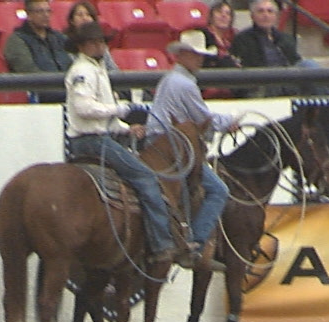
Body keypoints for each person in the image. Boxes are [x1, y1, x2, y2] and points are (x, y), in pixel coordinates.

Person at [64, 22, 179, 267]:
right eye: (94, 42)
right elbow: (84, 109)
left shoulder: (97, 69)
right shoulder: (83, 71)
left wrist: (127, 128)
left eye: (101, 41)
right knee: (146, 177)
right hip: (91, 142)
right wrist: (122, 108)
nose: (99, 46)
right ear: (82, 46)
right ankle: (161, 243)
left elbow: (101, 116)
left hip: (93, 138)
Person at [150, 30, 239, 268]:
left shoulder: (170, 79)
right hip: (172, 146)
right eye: (197, 55)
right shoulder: (184, 84)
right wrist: (228, 121)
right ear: (183, 55)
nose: (201, 60)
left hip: (159, 141)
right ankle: (195, 244)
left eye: (201, 55)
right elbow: (202, 119)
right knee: (218, 190)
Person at [229, 0, 329, 97]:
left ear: (276, 16)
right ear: (252, 16)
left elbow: (295, 61)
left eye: (270, 11)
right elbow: (246, 69)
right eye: (261, 11)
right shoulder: (242, 39)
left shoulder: (285, 38)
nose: (266, 15)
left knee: (310, 67)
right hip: (263, 83)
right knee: (309, 66)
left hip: (288, 80)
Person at [2, 0, 72, 103]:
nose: (46, 15)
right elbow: (28, 72)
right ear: (29, 15)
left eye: (48, 11)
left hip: (67, 85)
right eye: (40, 11)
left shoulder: (58, 37)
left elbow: (73, 62)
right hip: (41, 90)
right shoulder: (17, 40)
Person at [62, 1, 115, 72]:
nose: (84, 18)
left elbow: (113, 70)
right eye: (80, 15)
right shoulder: (65, 42)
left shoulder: (102, 45)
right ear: (72, 20)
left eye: (88, 15)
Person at [197, 0, 241, 69]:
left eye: (228, 13)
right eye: (219, 12)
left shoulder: (235, 37)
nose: (224, 15)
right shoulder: (202, 35)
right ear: (211, 16)